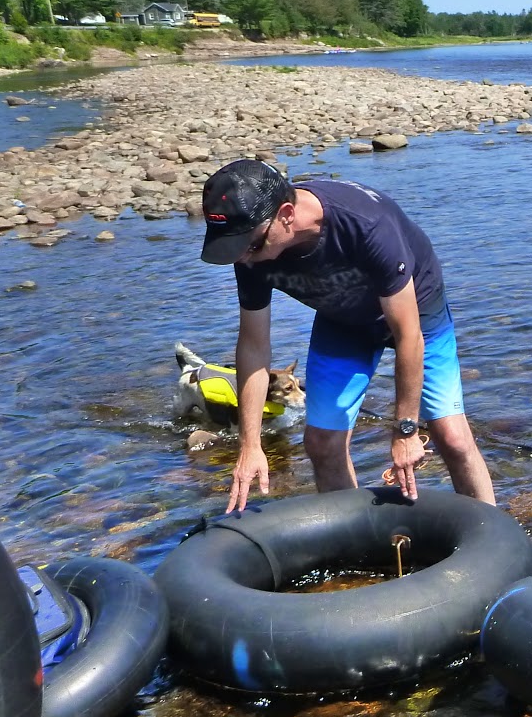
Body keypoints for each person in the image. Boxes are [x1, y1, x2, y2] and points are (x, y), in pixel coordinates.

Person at [197, 159, 495, 513]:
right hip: (343, 320)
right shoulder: (250, 248)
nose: (244, 259)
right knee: (322, 443)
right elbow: (253, 345)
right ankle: (356, 555)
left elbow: (408, 336)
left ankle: (494, 534)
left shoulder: (365, 225)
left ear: (287, 215)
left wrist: (405, 430)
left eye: (251, 246)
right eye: (235, 248)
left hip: (416, 314)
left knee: (453, 438)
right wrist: (251, 445)